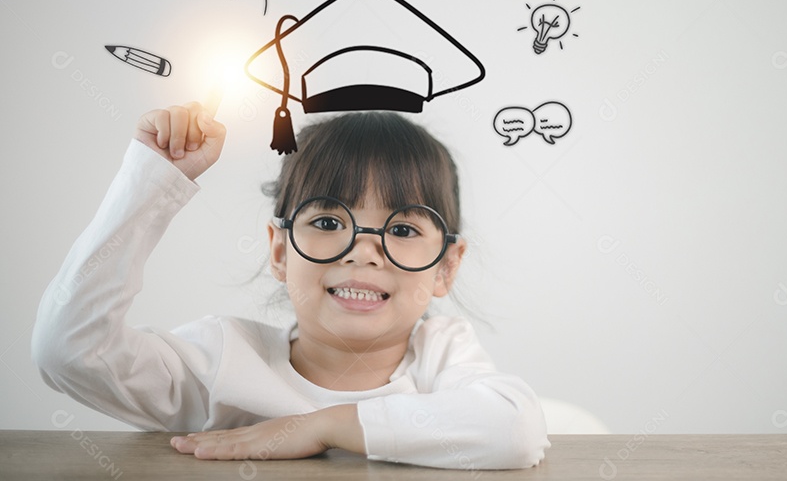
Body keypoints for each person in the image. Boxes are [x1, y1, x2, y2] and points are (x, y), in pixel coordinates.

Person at [31, 101, 549, 470]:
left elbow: (516, 431)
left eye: (403, 229)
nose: (362, 250)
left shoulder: (443, 356)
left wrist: (322, 426)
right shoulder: (224, 360)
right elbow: (69, 350)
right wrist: (150, 184)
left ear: (446, 266)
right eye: (328, 223)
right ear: (280, 251)